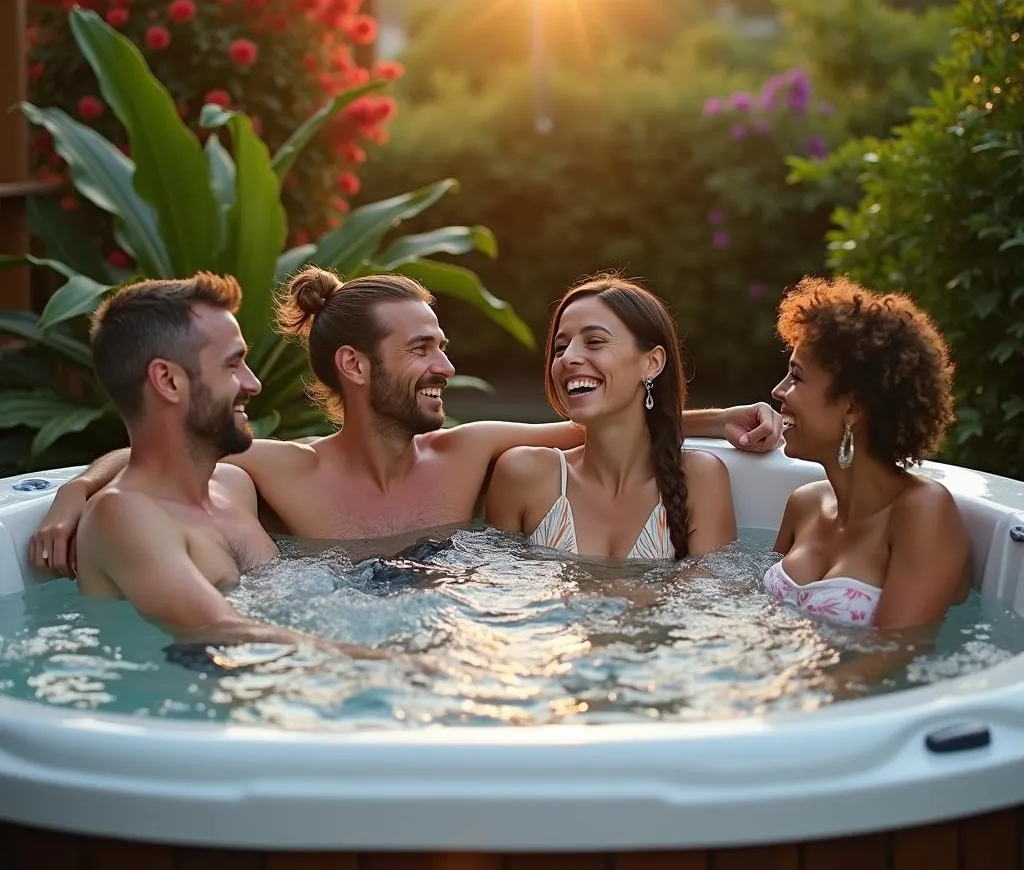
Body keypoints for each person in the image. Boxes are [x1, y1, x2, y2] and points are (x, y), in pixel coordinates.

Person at [31, 267, 782, 575]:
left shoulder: (467, 452)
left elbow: (605, 426)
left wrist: (720, 418)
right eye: (423, 349)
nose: (447, 369)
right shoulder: (283, 469)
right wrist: (74, 492)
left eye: (443, 347)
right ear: (356, 367)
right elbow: (161, 453)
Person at [67, 271, 379, 657]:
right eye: (233, 365)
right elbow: (226, 632)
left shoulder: (233, 486)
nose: (253, 384)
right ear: (168, 380)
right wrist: (412, 672)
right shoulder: (123, 514)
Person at [765, 276, 970, 630]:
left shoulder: (923, 511)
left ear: (853, 408)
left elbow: (894, 653)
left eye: (796, 378)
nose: (778, 391)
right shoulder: (805, 503)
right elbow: (757, 617)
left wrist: (791, 688)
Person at [485, 275, 736, 558]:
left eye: (594, 342)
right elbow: (494, 595)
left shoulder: (700, 478)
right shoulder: (524, 474)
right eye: (560, 347)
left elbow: (711, 599)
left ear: (651, 363)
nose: (568, 358)